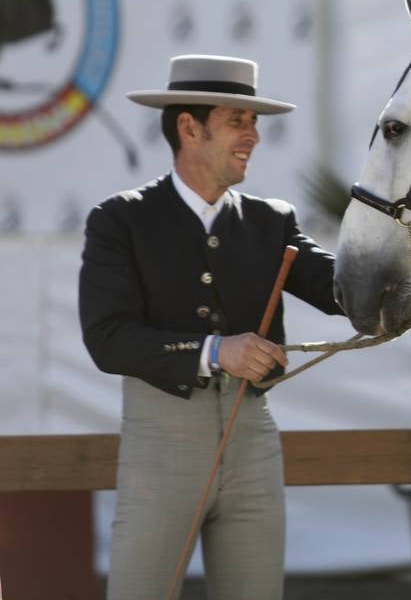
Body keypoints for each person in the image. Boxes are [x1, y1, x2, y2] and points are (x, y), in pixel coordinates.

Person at [79, 53, 342, 600]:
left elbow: (345, 292)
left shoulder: (273, 220)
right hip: (161, 448)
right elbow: (108, 339)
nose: (253, 137)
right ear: (189, 128)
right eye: (237, 121)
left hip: (253, 443)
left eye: (254, 123)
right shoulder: (120, 219)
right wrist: (216, 350)